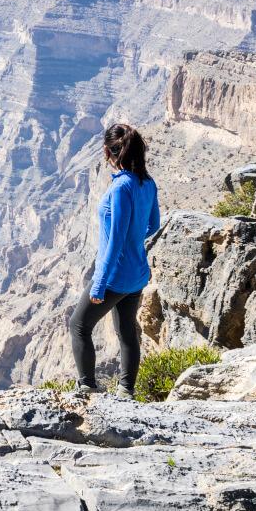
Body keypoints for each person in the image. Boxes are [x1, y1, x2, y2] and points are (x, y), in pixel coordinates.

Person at [68, 123, 161, 398]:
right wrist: (135, 236)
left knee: (79, 325)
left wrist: (99, 284)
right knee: (126, 331)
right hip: (137, 275)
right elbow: (153, 224)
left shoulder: (121, 188)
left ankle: (87, 386)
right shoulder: (147, 182)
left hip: (115, 276)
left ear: (108, 151)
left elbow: (115, 242)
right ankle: (126, 390)